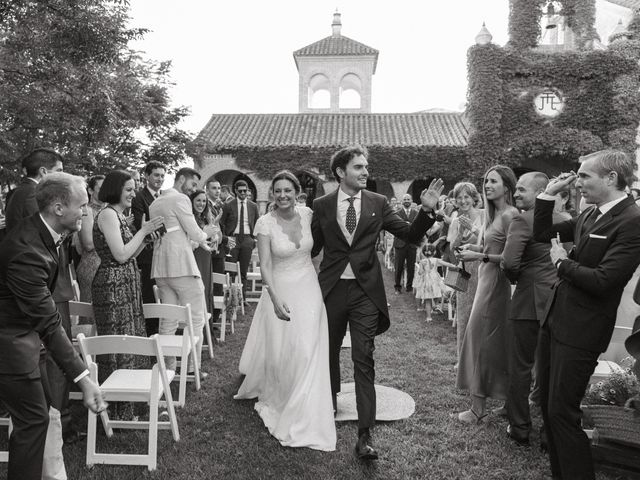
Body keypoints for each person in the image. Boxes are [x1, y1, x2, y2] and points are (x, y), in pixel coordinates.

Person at [311, 145, 442, 460]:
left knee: (363, 357)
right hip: (330, 291)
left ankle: (364, 434)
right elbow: (312, 246)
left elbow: (409, 234)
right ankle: (328, 403)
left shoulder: (379, 202)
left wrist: (426, 212)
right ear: (341, 171)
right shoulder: (322, 205)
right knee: (327, 352)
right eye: (358, 167)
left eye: (366, 167)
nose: (365, 172)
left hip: (365, 293)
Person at [533, 149, 640, 480]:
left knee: (563, 413)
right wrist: (547, 195)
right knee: (550, 410)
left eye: (584, 176)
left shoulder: (632, 220)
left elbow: (605, 281)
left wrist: (562, 264)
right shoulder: (592, 214)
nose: (577, 182)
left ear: (611, 178)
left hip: (582, 331)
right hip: (557, 321)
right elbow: (542, 234)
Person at [0, 172, 106, 480]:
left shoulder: (45, 235)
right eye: (82, 205)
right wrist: (85, 379)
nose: (86, 212)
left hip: (26, 340)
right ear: (58, 208)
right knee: (33, 421)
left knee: (37, 419)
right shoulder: (27, 251)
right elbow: (48, 323)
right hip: (10, 345)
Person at [235, 170, 336, 450]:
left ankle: (307, 401)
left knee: (308, 346)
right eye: (277, 191)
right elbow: (265, 264)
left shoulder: (308, 215)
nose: (282, 195)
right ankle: (286, 393)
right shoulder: (265, 223)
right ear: (272, 194)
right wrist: (274, 296)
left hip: (308, 286)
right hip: (280, 288)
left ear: (297, 192)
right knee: (286, 348)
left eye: (287, 190)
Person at [4, 148, 79, 441]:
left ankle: (54, 425)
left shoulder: (18, 196)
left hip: (33, 293)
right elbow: (35, 252)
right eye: (59, 169)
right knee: (50, 362)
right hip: (34, 297)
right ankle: (61, 423)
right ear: (47, 174)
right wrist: (84, 378)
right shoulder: (27, 198)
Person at [92, 170, 164, 418]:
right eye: (129, 189)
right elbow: (120, 255)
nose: (134, 193)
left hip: (126, 282)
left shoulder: (119, 215)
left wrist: (145, 239)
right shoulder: (108, 214)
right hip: (112, 287)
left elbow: (129, 253)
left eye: (134, 189)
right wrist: (142, 232)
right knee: (118, 344)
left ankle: (132, 405)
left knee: (131, 338)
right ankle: (116, 410)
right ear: (115, 190)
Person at [501, 172, 561, 446]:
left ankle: (520, 427)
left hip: (528, 300)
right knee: (551, 369)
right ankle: (550, 433)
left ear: (540, 193)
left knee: (520, 366)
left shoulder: (522, 220)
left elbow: (510, 262)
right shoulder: (564, 220)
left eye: (522, 190)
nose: (515, 195)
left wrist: (517, 279)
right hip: (557, 300)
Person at [456, 165, 518, 423]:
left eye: (494, 181)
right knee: (490, 343)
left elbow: (512, 258)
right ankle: (507, 401)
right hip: (484, 280)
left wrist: (478, 255)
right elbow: (491, 245)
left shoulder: (511, 215)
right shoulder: (494, 214)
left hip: (495, 285)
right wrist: (474, 246)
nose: (488, 185)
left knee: (479, 341)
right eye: (486, 181)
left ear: (507, 186)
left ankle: (477, 408)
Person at [150, 167, 219, 373]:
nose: (194, 189)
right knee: (196, 317)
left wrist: (200, 241)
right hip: (182, 266)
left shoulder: (155, 203)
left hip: (161, 268)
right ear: (181, 179)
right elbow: (194, 232)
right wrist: (206, 233)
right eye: (193, 184)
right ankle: (192, 368)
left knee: (168, 318)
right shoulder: (180, 199)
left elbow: (175, 234)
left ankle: (168, 368)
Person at [447, 182, 483, 368]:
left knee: (483, 315)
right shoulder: (455, 220)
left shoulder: (484, 215)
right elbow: (453, 249)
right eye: (459, 197)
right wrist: (460, 233)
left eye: (466, 197)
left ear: (474, 198)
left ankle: (481, 358)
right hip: (465, 271)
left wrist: (475, 229)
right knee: (464, 315)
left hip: (484, 268)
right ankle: (462, 360)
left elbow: (492, 242)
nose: (463, 201)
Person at [131, 160, 166, 336]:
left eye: (162, 176)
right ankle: (150, 334)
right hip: (147, 255)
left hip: (165, 254)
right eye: (156, 175)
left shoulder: (164, 197)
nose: (160, 179)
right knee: (150, 297)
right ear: (147, 176)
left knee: (162, 296)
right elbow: (140, 225)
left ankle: (162, 331)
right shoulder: (139, 198)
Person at [220, 179, 259, 300]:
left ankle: (242, 298)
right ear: (235, 191)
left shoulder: (253, 206)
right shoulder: (228, 205)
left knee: (243, 270)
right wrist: (226, 238)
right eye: (240, 191)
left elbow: (257, 223)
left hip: (247, 239)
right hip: (233, 239)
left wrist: (252, 240)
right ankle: (231, 298)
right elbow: (222, 223)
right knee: (231, 270)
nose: (243, 193)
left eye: (245, 190)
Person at [190, 189, 222, 314]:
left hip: (206, 258)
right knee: (197, 290)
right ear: (191, 202)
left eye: (204, 201)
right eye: (198, 200)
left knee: (207, 288)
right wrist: (205, 232)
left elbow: (217, 241)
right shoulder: (190, 220)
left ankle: (207, 329)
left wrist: (215, 223)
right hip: (195, 258)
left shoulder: (205, 219)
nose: (201, 204)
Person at [75, 175, 104, 303]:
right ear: (91, 191)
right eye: (101, 188)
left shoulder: (110, 210)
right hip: (92, 268)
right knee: (91, 317)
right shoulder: (87, 210)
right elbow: (88, 244)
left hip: (107, 268)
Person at [414, 242, 457, 322]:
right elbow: (446, 263)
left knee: (427, 300)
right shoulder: (436, 260)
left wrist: (422, 267)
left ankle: (429, 317)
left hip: (426, 282)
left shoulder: (422, 261)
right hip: (435, 281)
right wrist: (454, 266)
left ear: (423, 253)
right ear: (434, 252)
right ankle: (436, 304)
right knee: (439, 293)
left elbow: (420, 273)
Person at [393, 194, 419, 294]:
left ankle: (409, 287)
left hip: (412, 244)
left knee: (411, 267)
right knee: (398, 267)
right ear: (402, 201)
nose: (407, 201)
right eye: (405, 199)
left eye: (408, 199)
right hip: (400, 243)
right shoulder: (397, 213)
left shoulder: (416, 213)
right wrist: (407, 225)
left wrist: (408, 224)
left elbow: (418, 226)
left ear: (411, 201)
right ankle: (397, 287)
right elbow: (396, 226)